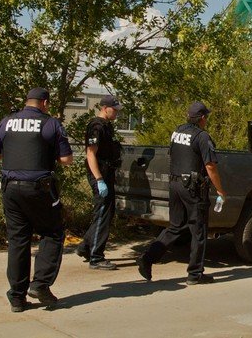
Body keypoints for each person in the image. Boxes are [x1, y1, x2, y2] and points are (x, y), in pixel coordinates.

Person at [0, 87, 73, 312]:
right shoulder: (50, 123)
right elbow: (66, 159)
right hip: (39, 189)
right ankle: (40, 285)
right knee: (52, 233)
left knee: (18, 239)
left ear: (27, 101)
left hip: (10, 189)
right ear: (44, 103)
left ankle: (17, 297)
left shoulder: (6, 121)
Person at [137, 101, 226, 284]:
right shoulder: (202, 137)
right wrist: (220, 189)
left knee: (175, 226)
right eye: (206, 117)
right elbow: (210, 166)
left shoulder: (177, 132)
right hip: (193, 188)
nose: (206, 120)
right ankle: (195, 274)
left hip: (175, 185)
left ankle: (148, 258)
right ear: (202, 118)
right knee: (198, 231)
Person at [76, 95, 123, 270]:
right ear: (105, 108)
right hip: (100, 175)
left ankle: (86, 247)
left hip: (106, 173)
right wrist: (99, 179)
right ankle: (96, 257)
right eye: (115, 109)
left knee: (104, 213)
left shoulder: (106, 126)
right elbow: (90, 154)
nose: (117, 113)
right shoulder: (96, 126)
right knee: (103, 214)